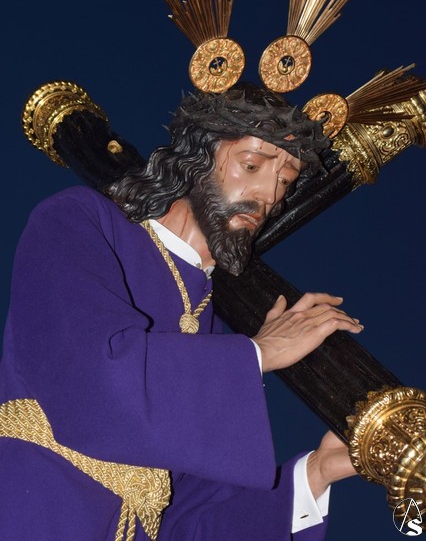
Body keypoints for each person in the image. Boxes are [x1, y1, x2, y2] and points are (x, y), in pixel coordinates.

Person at [0, 82, 363, 540]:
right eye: (252, 165)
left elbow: (192, 520)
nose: (269, 195)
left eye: (285, 181)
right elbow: (91, 377)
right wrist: (258, 353)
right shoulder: (81, 221)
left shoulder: (210, 329)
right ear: (197, 158)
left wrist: (315, 474)